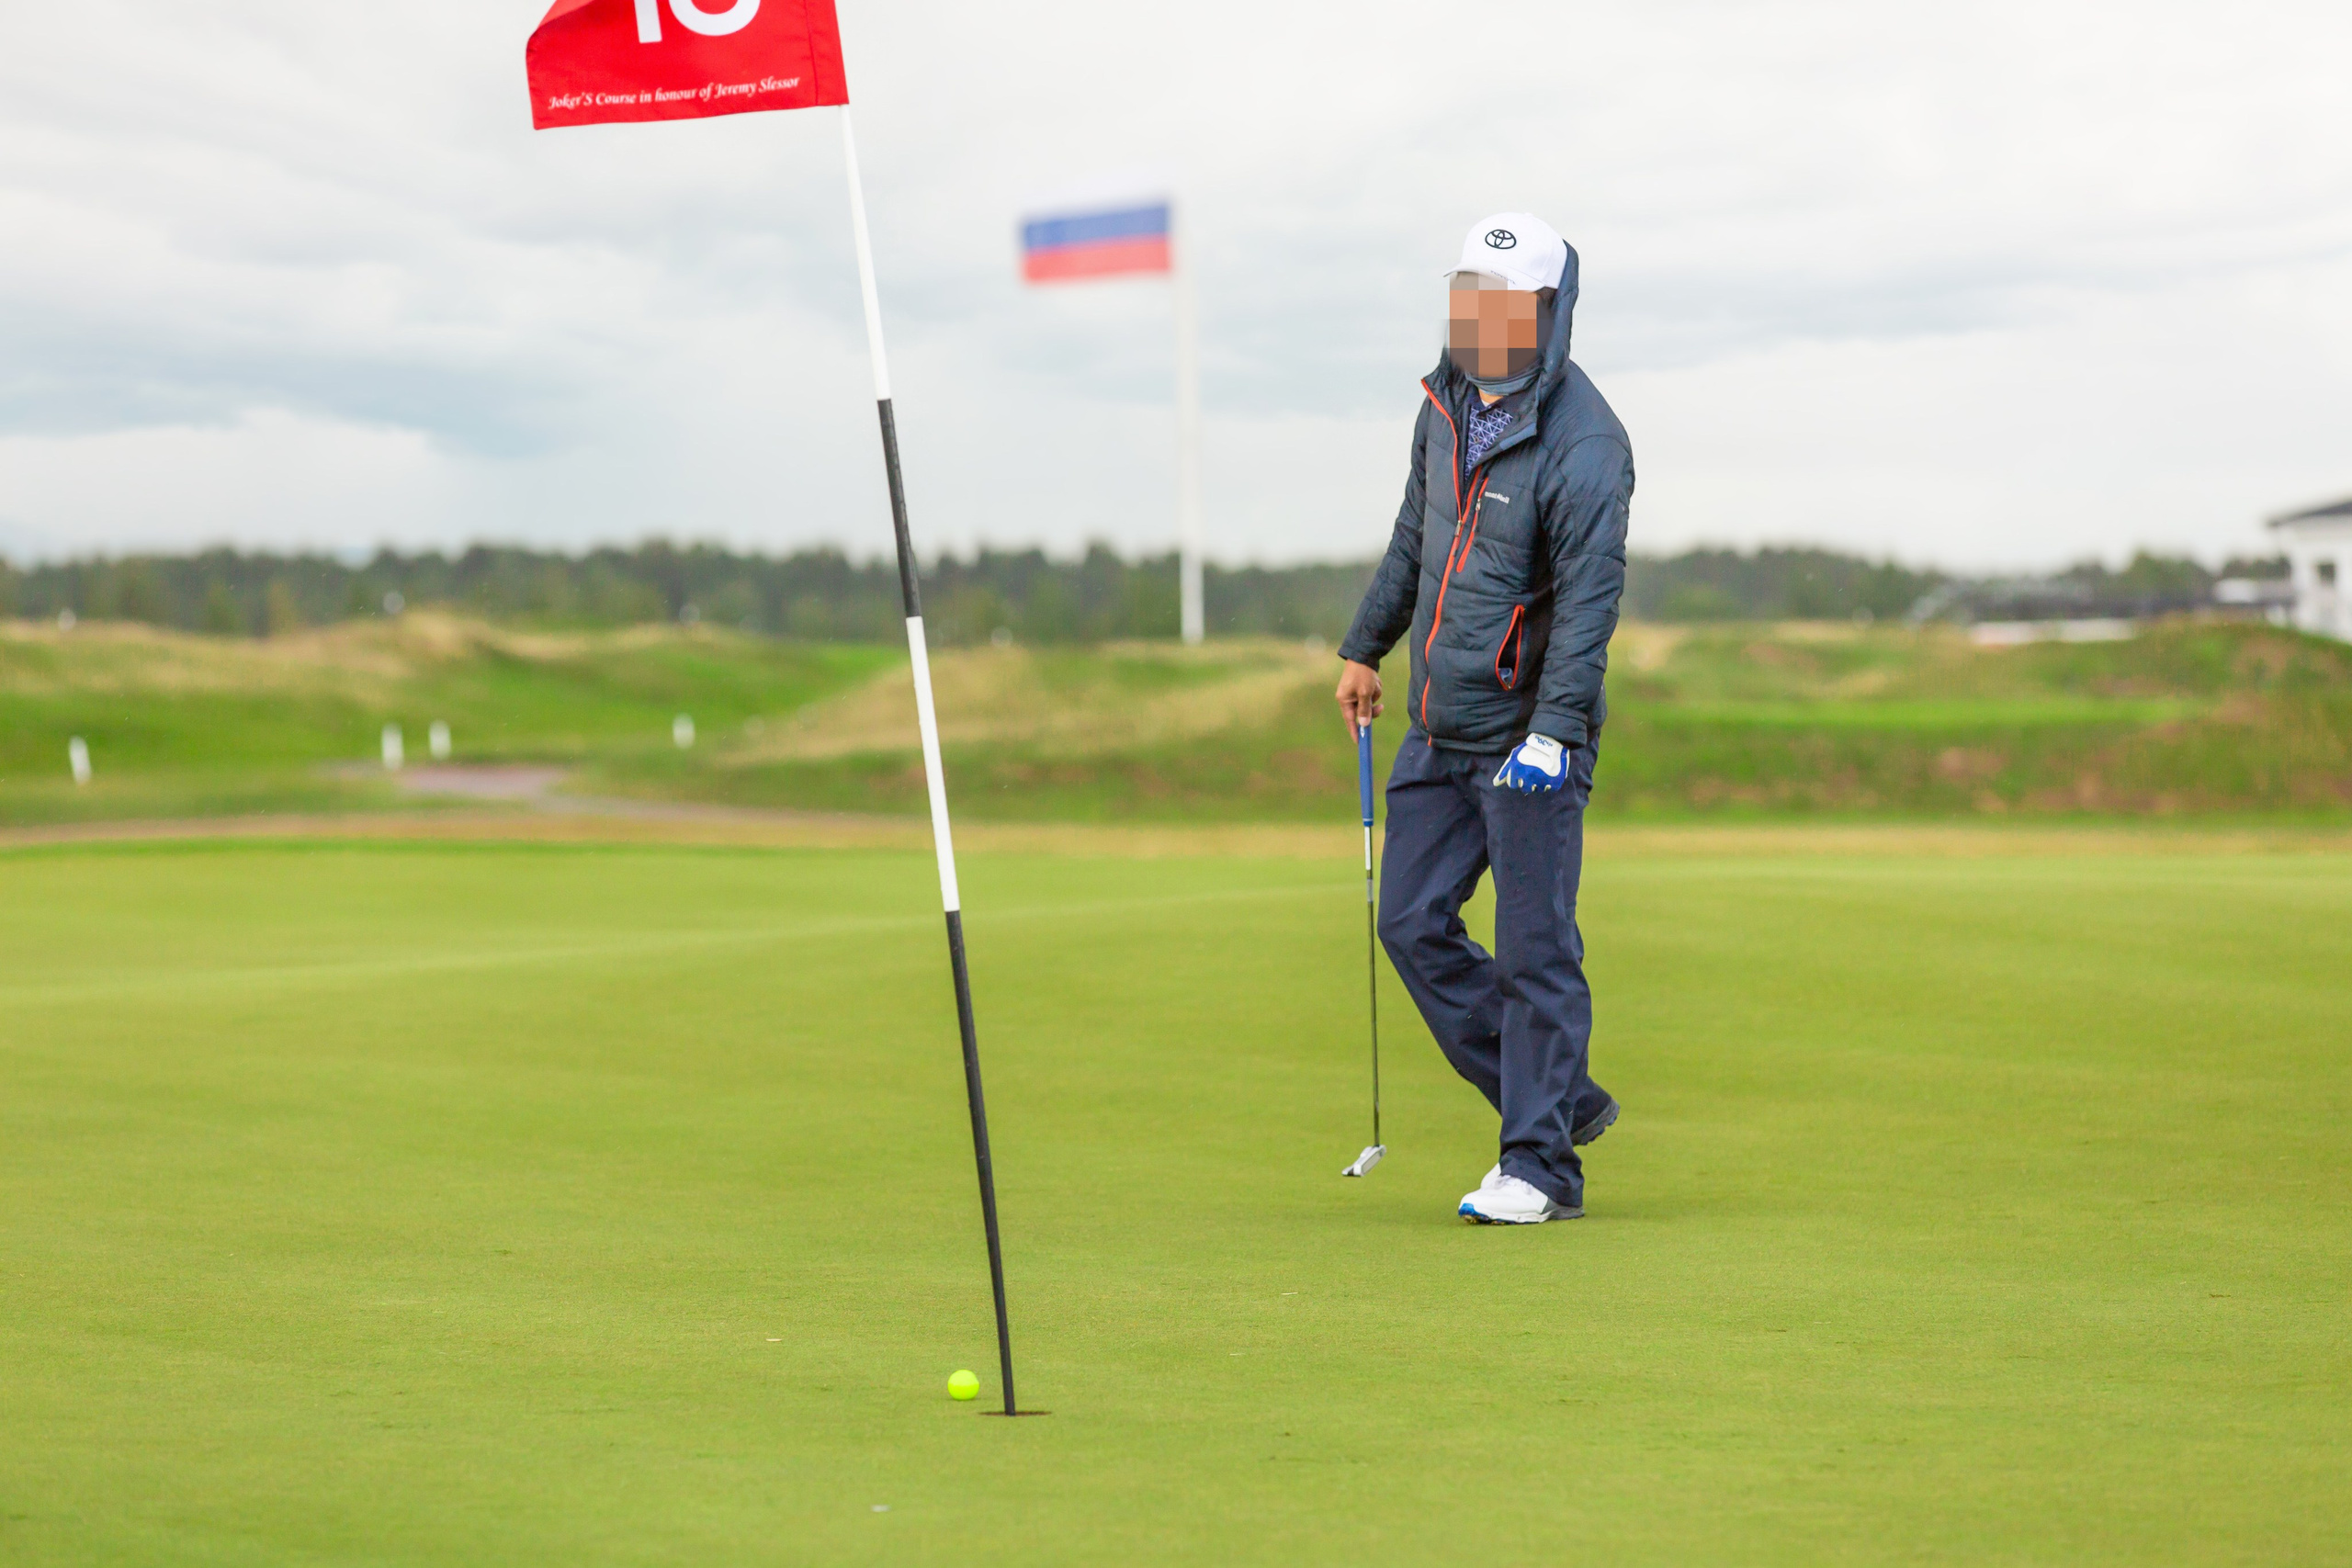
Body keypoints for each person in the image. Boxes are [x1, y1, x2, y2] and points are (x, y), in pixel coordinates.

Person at [1334, 211, 1633, 1224]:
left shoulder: (1587, 444)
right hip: (1435, 723)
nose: (1481, 318)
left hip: (1529, 738)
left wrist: (1553, 731)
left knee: (1535, 947)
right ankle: (1560, 1099)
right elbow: (1411, 541)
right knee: (1410, 923)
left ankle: (1540, 1167)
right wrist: (1362, 647)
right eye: (1469, 297)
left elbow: (1590, 606)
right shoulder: (1444, 407)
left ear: (1546, 313)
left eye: (1503, 304)